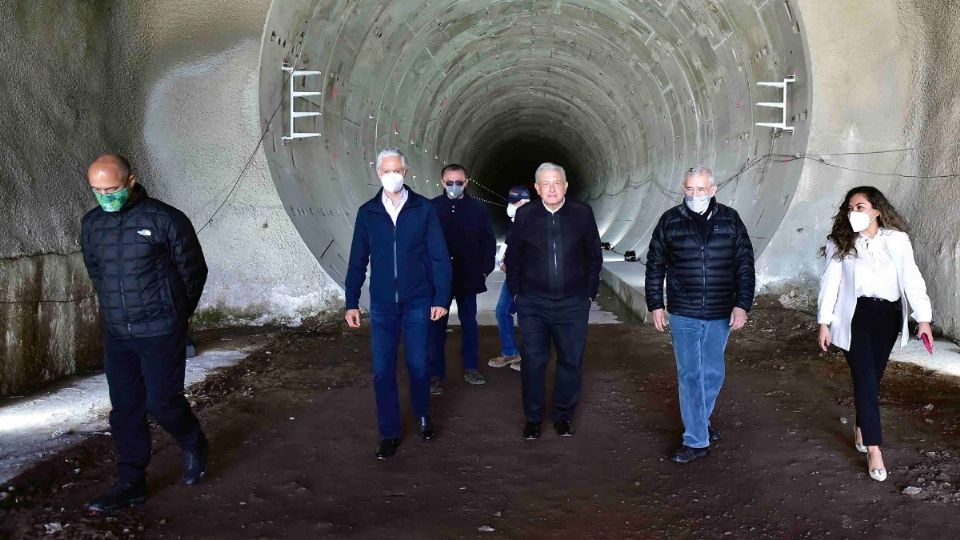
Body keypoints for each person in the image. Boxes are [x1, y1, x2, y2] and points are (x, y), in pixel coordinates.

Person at [80, 153, 209, 513]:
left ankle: (193, 442)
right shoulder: (92, 224)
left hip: (161, 330)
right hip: (118, 333)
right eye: (98, 190)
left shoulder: (165, 219)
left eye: (113, 188)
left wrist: (175, 316)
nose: (106, 196)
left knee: (162, 402)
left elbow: (193, 271)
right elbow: (96, 271)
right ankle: (130, 481)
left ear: (131, 181)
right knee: (124, 409)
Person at [817, 186, 932, 482]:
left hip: (888, 318)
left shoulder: (897, 241)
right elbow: (830, 284)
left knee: (872, 379)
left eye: (860, 207)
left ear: (877, 210)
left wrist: (923, 319)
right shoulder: (841, 243)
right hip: (855, 317)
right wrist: (824, 322)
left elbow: (911, 278)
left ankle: (862, 427)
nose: (854, 212)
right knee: (865, 380)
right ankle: (874, 449)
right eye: (851, 208)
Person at [344, 147, 452, 460]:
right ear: (378, 173)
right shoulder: (368, 213)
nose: (392, 175)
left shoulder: (423, 209)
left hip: (418, 300)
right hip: (382, 304)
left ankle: (422, 415)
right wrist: (352, 301)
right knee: (382, 370)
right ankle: (389, 432)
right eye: (386, 170)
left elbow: (439, 256)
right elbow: (357, 260)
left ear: (405, 172)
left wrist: (441, 298)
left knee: (419, 365)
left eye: (397, 170)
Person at [645, 166, 755, 464]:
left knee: (713, 373)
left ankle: (700, 421)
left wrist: (742, 304)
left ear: (713, 189)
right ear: (683, 188)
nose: (695, 195)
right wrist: (655, 304)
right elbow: (655, 264)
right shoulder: (670, 221)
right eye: (690, 190)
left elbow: (745, 264)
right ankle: (696, 440)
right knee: (690, 374)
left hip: (721, 310)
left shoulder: (730, 220)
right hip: (684, 311)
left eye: (701, 190)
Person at [506, 163, 602, 439]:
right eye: (545, 183)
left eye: (556, 182)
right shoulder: (525, 215)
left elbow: (593, 255)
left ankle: (563, 416)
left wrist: (588, 293)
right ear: (536, 188)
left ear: (566, 185)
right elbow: (513, 258)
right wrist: (517, 294)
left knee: (570, 360)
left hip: (573, 302)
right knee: (534, 361)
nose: (551, 188)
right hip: (533, 303)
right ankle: (533, 418)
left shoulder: (582, 214)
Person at [428, 164, 496, 394]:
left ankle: (471, 368)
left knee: (469, 323)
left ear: (467, 182)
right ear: (442, 182)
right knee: (436, 326)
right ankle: (435, 373)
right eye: (450, 183)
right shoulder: (431, 208)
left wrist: (484, 270)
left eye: (459, 182)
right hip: (440, 280)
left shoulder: (477, 209)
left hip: (468, 276)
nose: (454, 187)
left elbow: (488, 241)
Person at [489, 186, 531, 372]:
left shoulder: (532, 223)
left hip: (527, 279)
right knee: (502, 311)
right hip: (512, 278)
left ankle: (531, 358)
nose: (512, 206)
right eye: (512, 202)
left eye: (517, 202)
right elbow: (508, 246)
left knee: (527, 316)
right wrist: (503, 261)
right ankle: (511, 352)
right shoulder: (515, 223)